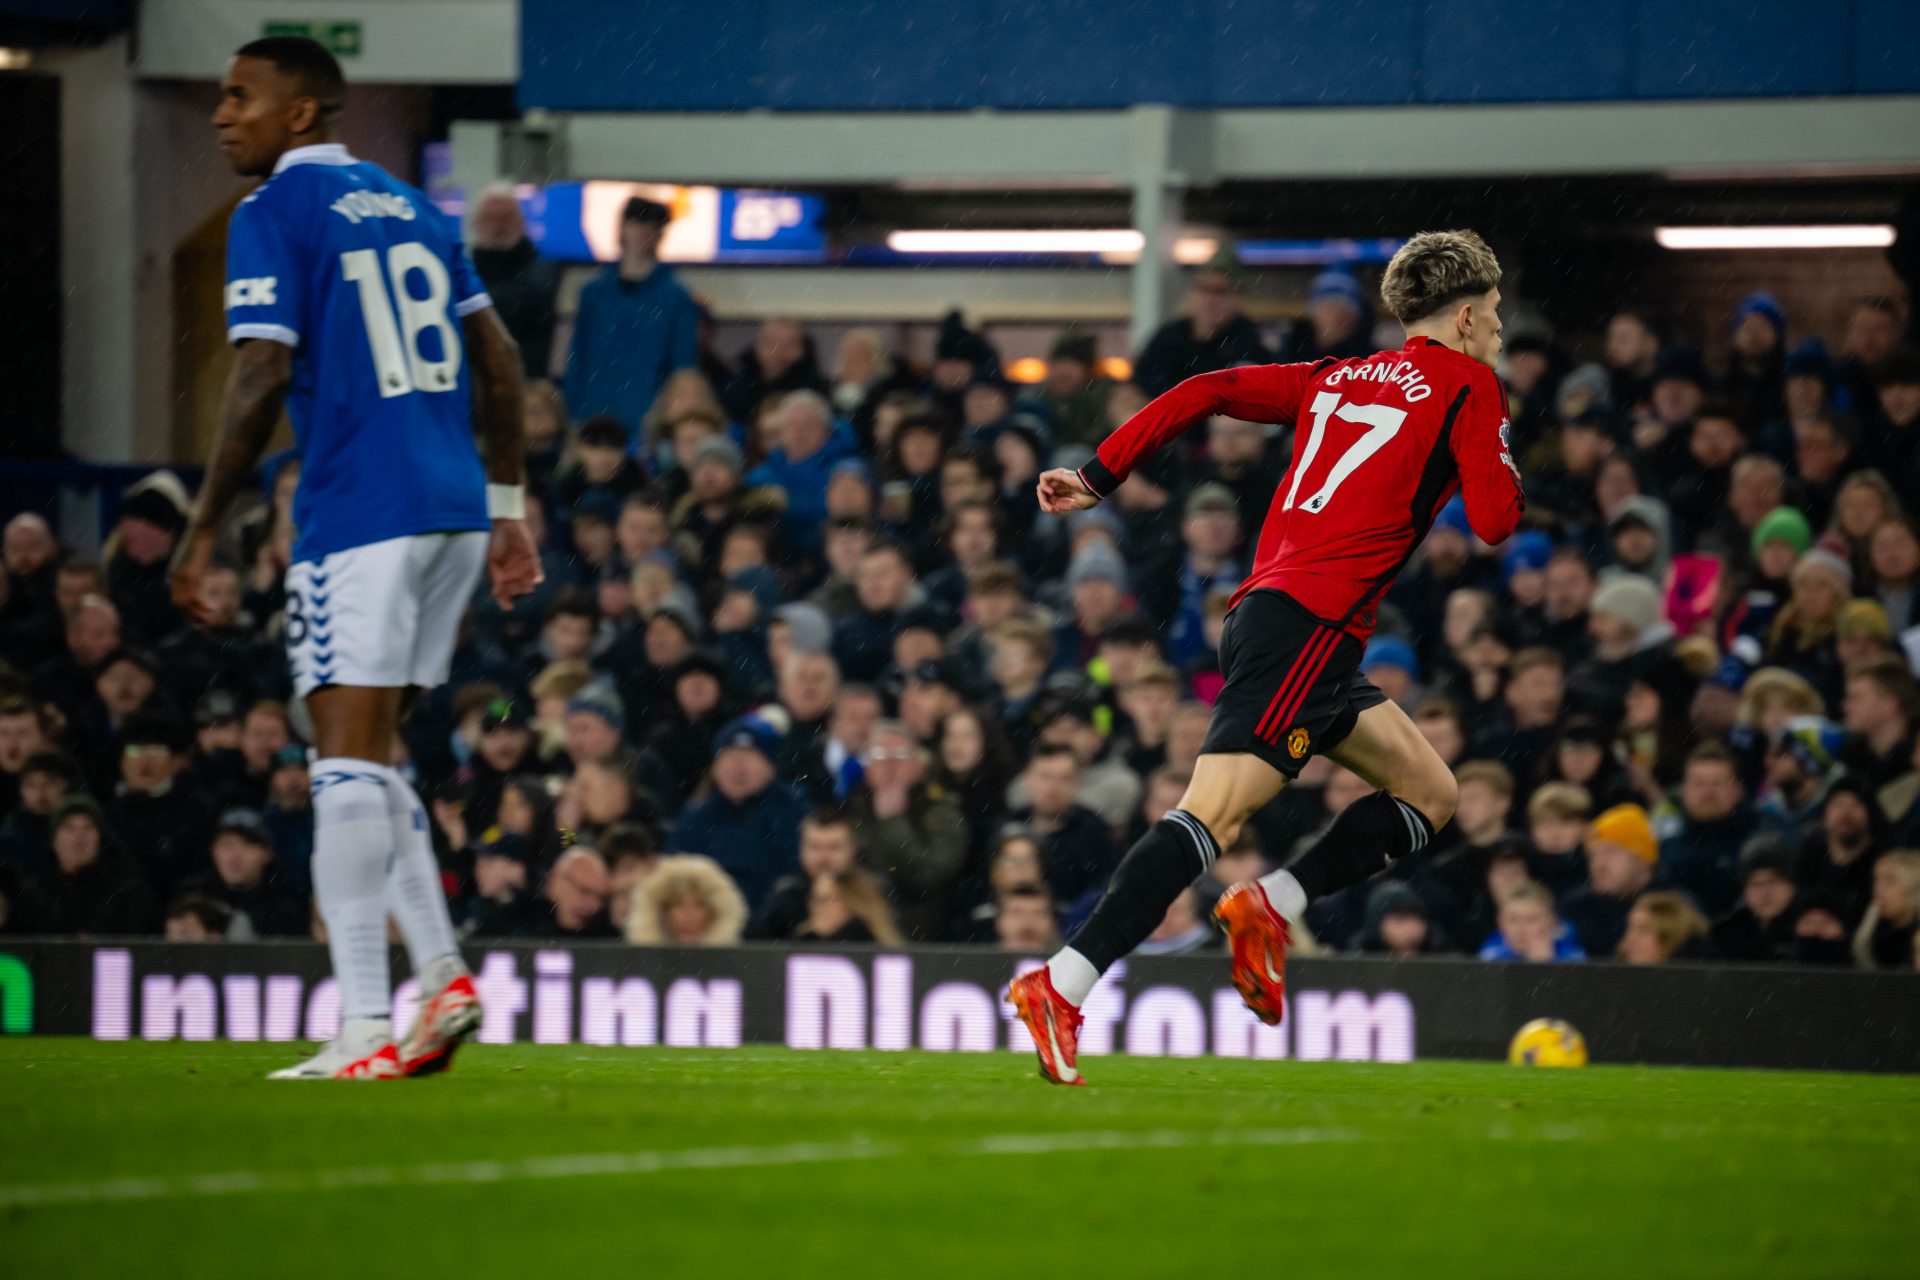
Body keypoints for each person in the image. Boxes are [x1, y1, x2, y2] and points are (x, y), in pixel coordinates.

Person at [1009, 230, 1524, 1084]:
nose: (1499, 328)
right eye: (1496, 313)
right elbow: (1499, 520)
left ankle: (1271, 904)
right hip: (1306, 628)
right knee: (1209, 815)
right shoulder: (1469, 383)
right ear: (1465, 316)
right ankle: (1062, 984)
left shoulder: (1335, 376)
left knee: (1431, 792)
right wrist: (1494, 444)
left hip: (1286, 619)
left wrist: (1100, 473)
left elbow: (1206, 388)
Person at [170, 36, 542, 1080]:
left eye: (240, 96)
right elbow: (500, 357)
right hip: (452, 509)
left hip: (362, 508)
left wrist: (202, 528)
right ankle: (443, 977)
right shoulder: (418, 209)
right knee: (369, 760)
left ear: (301, 114)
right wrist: (507, 506)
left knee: (336, 763)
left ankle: (364, 1026)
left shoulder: (271, 214)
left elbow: (258, 374)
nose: (221, 115)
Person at [565, 194, 698, 442]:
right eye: (637, 226)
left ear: (660, 235)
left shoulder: (676, 297)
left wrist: (665, 412)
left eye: (652, 229)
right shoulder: (594, 292)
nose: (643, 235)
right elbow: (577, 356)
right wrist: (572, 410)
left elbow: (682, 364)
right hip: (592, 409)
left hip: (647, 415)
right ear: (623, 229)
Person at [468, 184, 560, 379]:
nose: (498, 227)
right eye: (491, 218)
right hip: (476, 380)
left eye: (506, 218)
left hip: (526, 380)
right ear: (476, 223)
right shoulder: (463, 273)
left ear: (520, 222)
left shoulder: (543, 273)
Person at [627, 853, 748, 946]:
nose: (688, 915)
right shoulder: (636, 971)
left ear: (714, 913)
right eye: (678, 904)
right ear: (662, 912)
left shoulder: (737, 971)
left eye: (699, 905)